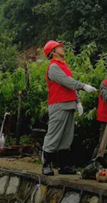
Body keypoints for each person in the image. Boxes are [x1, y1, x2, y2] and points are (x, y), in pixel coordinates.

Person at [42, 40, 97, 176]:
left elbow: (69, 87)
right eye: (58, 47)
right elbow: (67, 82)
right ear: (53, 52)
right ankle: (46, 165)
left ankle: (63, 166)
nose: (62, 48)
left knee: (67, 137)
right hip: (59, 104)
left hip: (68, 104)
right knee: (54, 135)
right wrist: (83, 86)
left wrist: (77, 101)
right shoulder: (54, 67)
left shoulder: (63, 66)